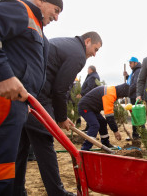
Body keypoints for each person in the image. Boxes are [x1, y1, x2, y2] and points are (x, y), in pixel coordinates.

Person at [0, 0, 63, 195]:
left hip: (17, 106)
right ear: (41, 0)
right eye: (56, 10)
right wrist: (1, 74)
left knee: (9, 172)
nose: (56, 17)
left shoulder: (39, 33)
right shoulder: (20, 9)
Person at [14, 32, 102, 196]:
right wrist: (61, 118)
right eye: (95, 49)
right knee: (44, 141)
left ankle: (16, 189)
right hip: (39, 95)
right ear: (88, 41)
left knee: (22, 144)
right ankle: (57, 192)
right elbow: (60, 89)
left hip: (27, 91)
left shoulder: (66, 44)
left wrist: (61, 116)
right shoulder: (78, 55)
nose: (94, 54)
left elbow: (60, 85)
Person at [78, 83, 129, 150]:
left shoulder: (112, 90)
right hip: (85, 107)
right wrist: (115, 131)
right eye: (123, 96)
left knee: (102, 122)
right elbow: (109, 116)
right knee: (94, 125)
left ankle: (105, 143)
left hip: (93, 109)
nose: (122, 98)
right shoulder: (109, 95)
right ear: (121, 93)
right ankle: (85, 149)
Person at [123, 56, 143, 140]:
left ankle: (137, 134)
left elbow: (135, 84)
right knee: (135, 116)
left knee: (136, 116)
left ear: (135, 63)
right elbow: (131, 81)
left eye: (131, 63)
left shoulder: (138, 71)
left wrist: (126, 92)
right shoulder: (134, 71)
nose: (129, 64)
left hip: (136, 96)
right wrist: (127, 76)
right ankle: (136, 134)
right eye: (129, 63)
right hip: (133, 96)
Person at [79, 65, 100, 131]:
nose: (87, 71)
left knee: (89, 112)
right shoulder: (94, 76)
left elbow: (90, 87)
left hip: (89, 98)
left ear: (91, 69)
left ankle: (89, 128)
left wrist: (82, 94)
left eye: (88, 69)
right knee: (90, 112)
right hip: (91, 98)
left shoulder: (92, 77)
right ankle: (88, 128)